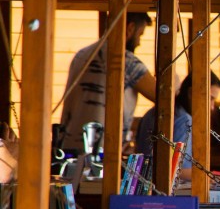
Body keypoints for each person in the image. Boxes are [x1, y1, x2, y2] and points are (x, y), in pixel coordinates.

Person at [58, 12, 158, 154]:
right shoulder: (124, 61)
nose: (139, 42)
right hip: (101, 149)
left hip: (68, 144)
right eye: (140, 35)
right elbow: (163, 97)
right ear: (130, 28)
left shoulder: (81, 55)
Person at [135, 72, 220, 181]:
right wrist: (213, 178)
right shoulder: (184, 120)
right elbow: (177, 170)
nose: (212, 107)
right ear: (191, 93)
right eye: (210, 98)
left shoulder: (152, 112)